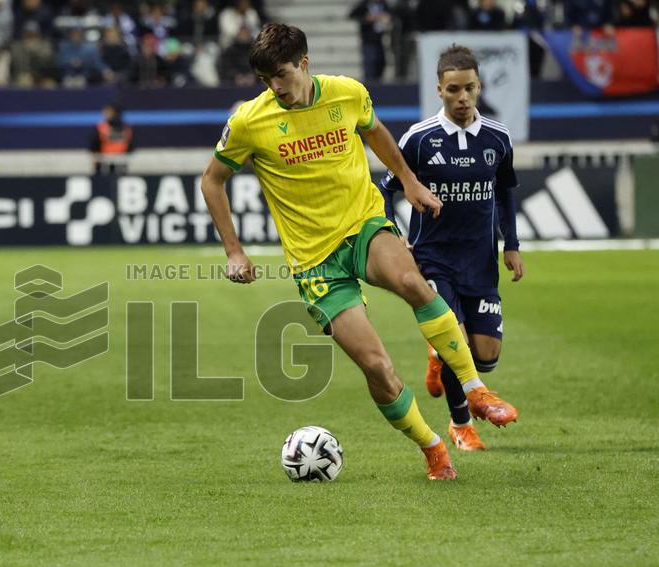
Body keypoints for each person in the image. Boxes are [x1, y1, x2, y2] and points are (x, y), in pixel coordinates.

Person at [200, 23, 519, 481]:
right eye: (266, 79)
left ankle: (475, 389)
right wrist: (234, 251)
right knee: (377, 367)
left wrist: (409, 181)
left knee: (413, 281)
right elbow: (212, 180)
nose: (276, 87)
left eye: (283, 74)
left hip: (363, 225)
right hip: (315, 261)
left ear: (304, 64)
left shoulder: (347, 93)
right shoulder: (250, 121)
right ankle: (432, 447)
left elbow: (376, 133)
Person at [379, 45, 524, 453]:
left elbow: (506, 194)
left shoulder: (498, 138)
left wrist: (511, 245)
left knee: (486, 355)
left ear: (479, 87)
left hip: (480, 261)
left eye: (470, 89)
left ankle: (437, 353)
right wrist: (394, 234)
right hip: (433, 259)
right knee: (453, 342)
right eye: (454, 90)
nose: (463, 98)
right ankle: (461, 425)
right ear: (439, 90)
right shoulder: (419, 139)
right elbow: (385, 190)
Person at [90, 103, 133, 175]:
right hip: (104, 162)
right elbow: (94, 144)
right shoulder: (101, 127)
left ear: (115, 112)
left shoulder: (126, 128)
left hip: (119, 161)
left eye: (108, 111)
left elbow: (131, 144)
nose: (105, 113)